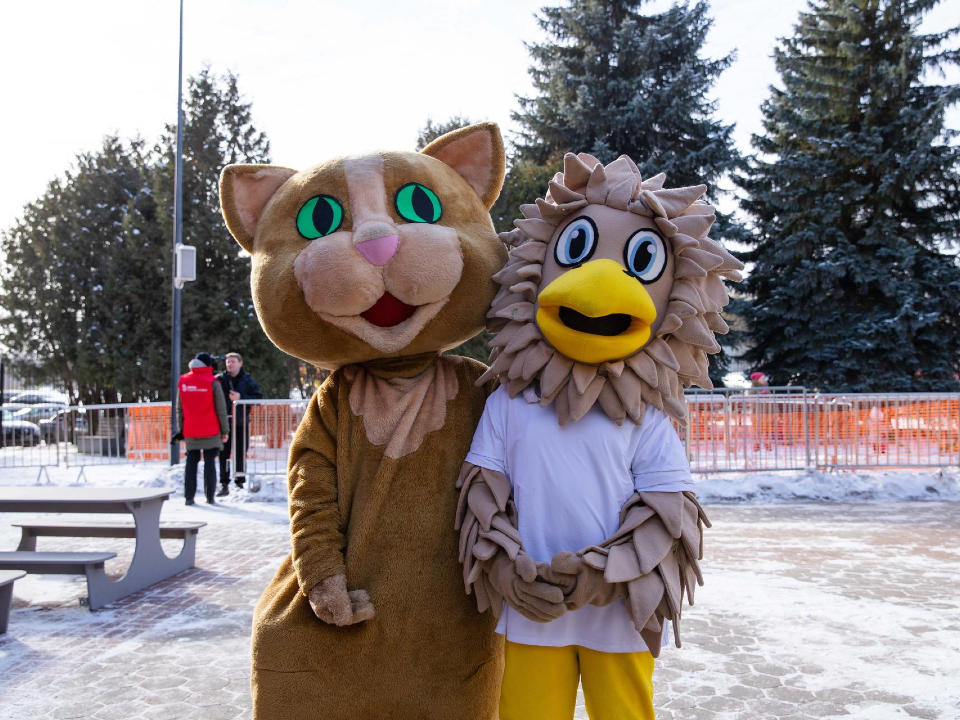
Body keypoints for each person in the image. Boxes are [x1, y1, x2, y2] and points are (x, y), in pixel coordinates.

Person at [177, 352, 229, 505]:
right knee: (209, 463)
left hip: (191, 430)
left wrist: (182, 429)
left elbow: (179, 409)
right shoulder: (212, 382)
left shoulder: (183, 380)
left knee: (191, 463)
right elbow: (221, 408)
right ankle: (210, 497)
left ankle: (189, 497)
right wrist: (224, 431)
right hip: (211, 430)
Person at [216, 352, 262, 496]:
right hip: (224, 423)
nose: (230, 364)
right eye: (228, 361)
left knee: (240, 452)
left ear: (240, 363)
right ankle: (224, 484)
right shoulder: (220, 380)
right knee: (223, 453)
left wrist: (241, 397)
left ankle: (240, 482)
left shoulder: (247, 380)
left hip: (241, 423)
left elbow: (258, 398)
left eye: (233, 361)